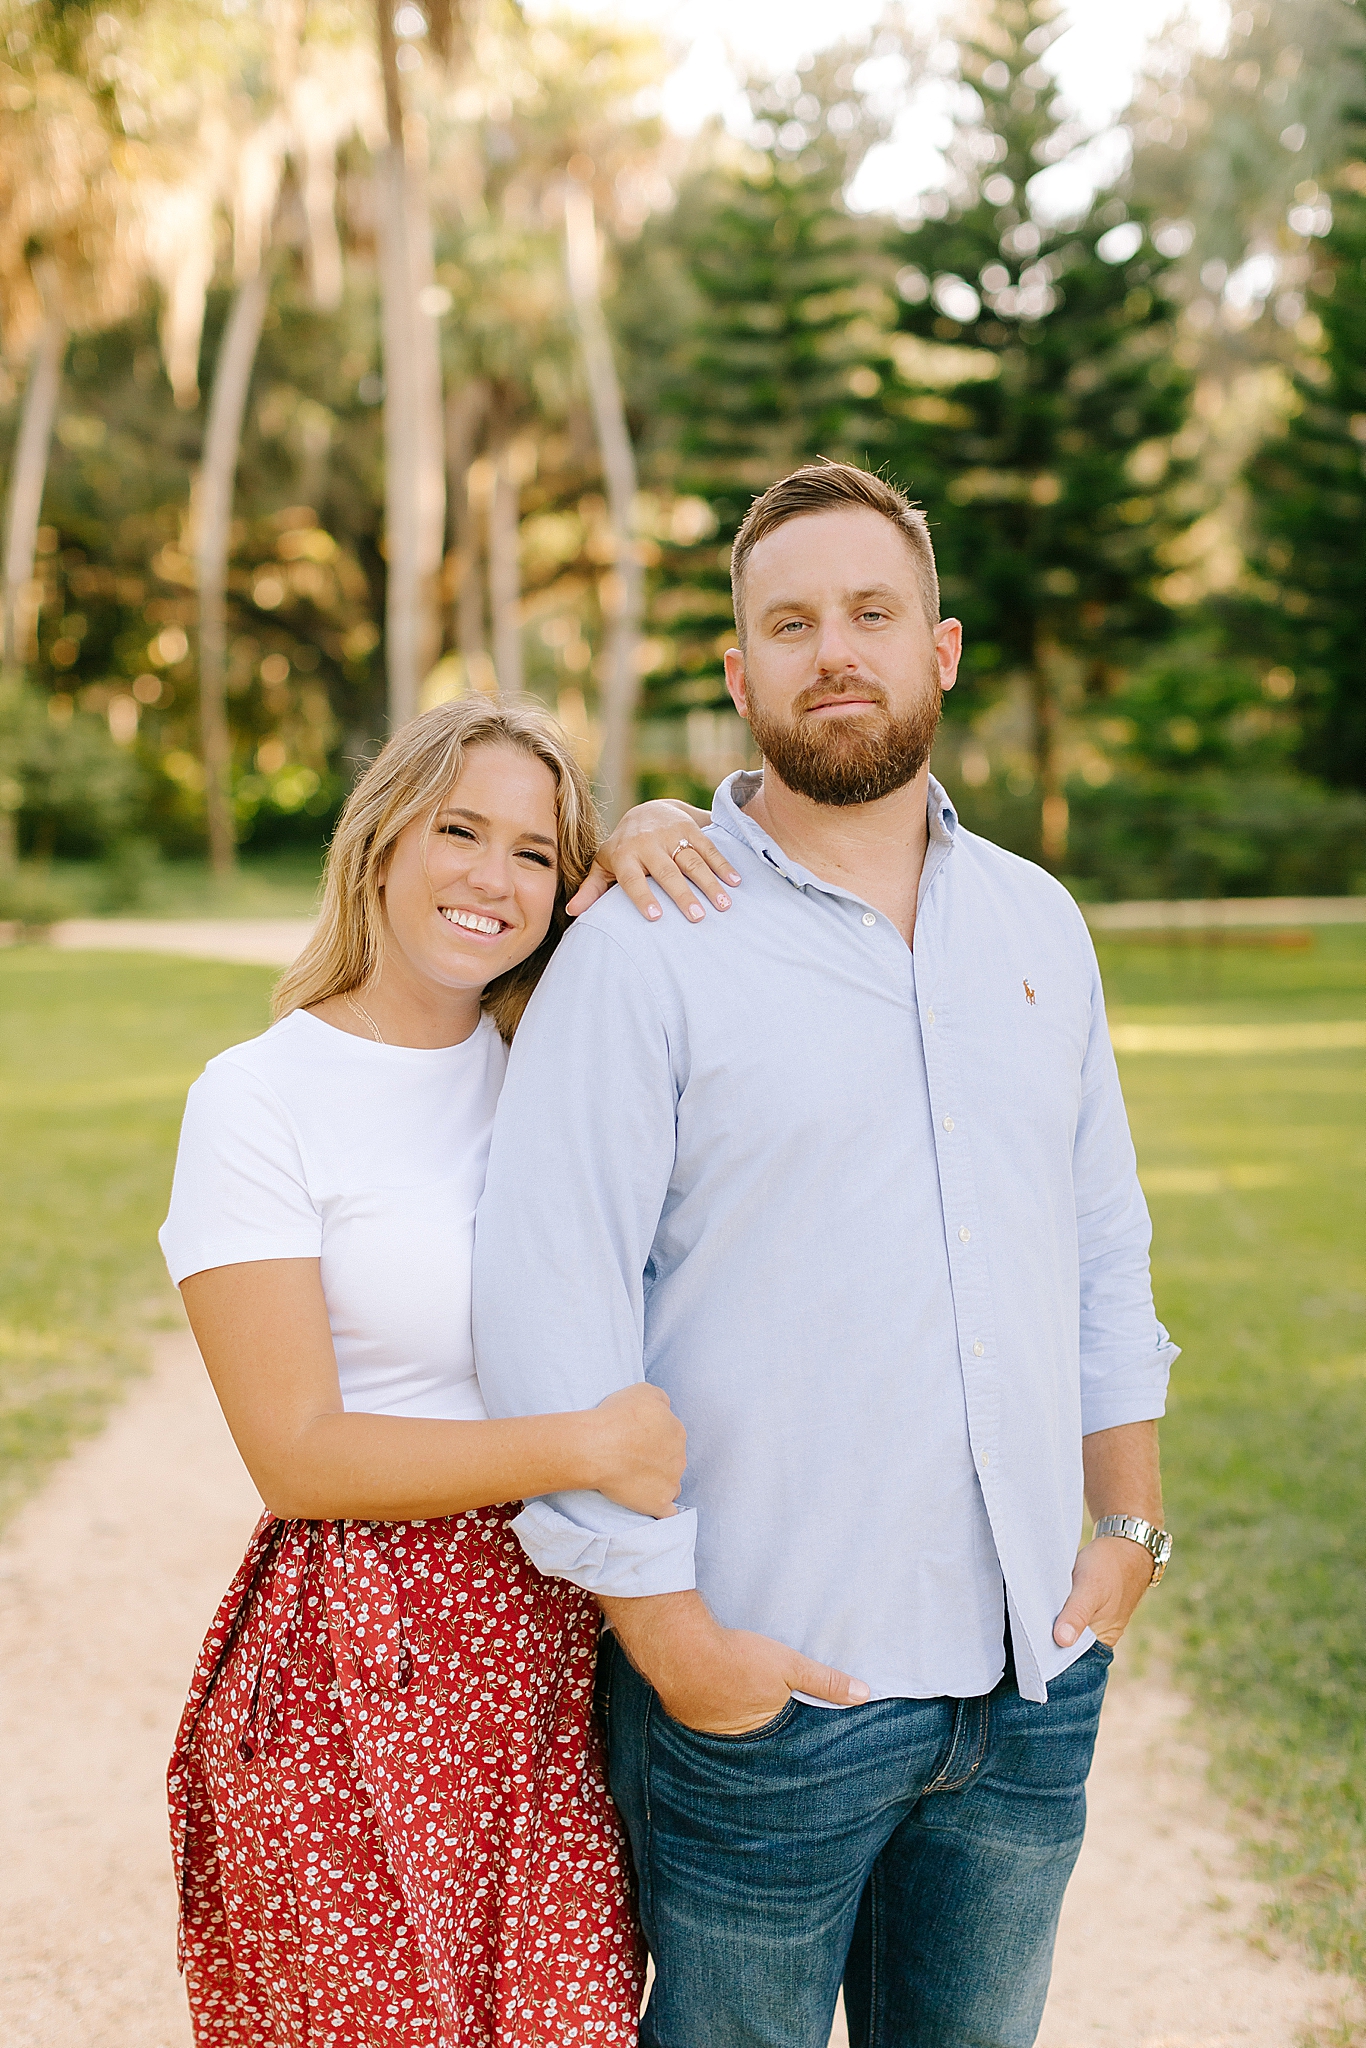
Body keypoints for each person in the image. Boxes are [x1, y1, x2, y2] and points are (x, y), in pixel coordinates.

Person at [472, 462, 1179, 2048]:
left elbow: (1100, 1245)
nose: (832, 650)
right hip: (759, 1690)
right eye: (788, 624)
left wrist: (1123, 1529)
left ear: (939, 647)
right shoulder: (643, 942)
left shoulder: (1035, 924)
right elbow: (546, 1306)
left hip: (1024, 1687)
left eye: (870, 612)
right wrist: (675, 1642)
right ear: (738, 678)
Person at [158, 697, 742, 2047]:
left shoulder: (554, 1060)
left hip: (562, 1648)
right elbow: (295, 1451)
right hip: (362, 1656)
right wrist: (583, 1450)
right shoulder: (258, 1097)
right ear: (379, 843)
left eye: (535, 853)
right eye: (459, 831)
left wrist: (656, 829)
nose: (493, 877)